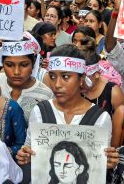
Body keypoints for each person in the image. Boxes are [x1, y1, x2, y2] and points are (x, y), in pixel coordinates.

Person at [16, 44, 118, 176]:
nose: (57, 85)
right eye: (52, 76)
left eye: (65, 77)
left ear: (81, 79)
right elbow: (29, 148)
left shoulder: (100, 118)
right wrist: (25, 155)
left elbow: (95, 169)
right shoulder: (40, 111)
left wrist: (107, 162)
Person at [0, 35, 54, 122]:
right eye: (9, 65)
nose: (16, 72)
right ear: (2, 63)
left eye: (24, 65)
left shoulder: (46, 95)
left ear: (33, 63)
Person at [80, 39, 124, 116]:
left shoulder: (114, 93)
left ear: (97, 74)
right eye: (77, 76)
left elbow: (123, 123)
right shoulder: (73, 89)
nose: (80, 82)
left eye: (84, 77)